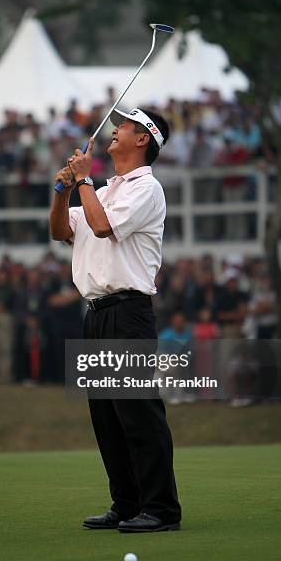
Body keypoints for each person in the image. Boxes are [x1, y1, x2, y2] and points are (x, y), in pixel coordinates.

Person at [50, 107, 181, 533]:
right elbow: (60, 231)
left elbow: (103, 227)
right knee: (106, 418)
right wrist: (63, 189)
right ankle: (125, 504)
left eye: (123, 126)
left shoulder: (146, 188)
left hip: (128, 313)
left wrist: (84, 180)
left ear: (143, 139)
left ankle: (161, 509)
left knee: (138, 414)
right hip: (96, 316)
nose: (115, 129)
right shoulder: (103, 190)